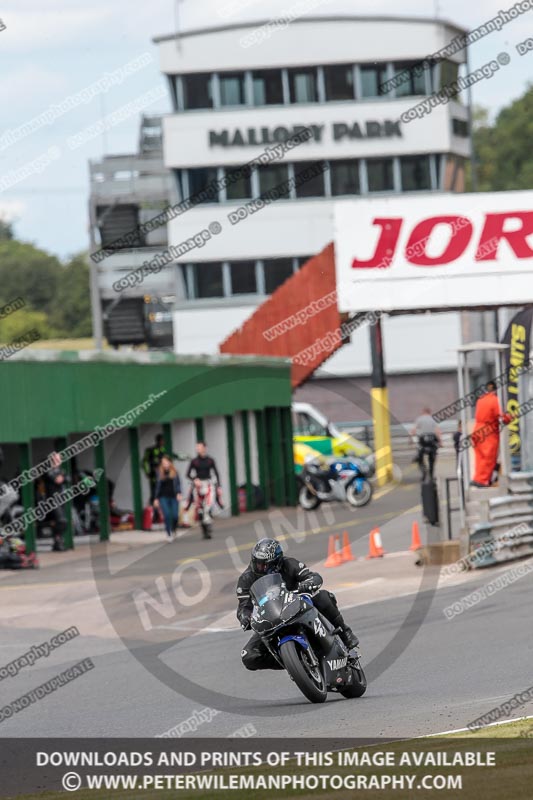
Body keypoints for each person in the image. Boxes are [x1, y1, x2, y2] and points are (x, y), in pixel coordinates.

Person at [237, 538, 359, 671]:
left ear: (277, 562)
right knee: (249, 656)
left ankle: (345, 634)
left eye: (265, 565)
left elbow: (313, 576)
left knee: (324, 597)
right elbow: (244, 606)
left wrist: (307, 584)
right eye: (258, 563)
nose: (261, 568)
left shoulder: (289, 564)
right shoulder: (246, 578)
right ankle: (293, 662)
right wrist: (245, 616)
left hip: (296, 605)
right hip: (270, 618)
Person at [471, 381, 511, 488]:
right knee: (488, 457)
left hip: (477, 430)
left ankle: (477, 478)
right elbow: (501, 416)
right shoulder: (494, 400)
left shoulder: (480, 400)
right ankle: (483, 481)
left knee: (479, 457)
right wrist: (509, 417)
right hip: (488, 432)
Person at [186, 441, 224, 508]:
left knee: (212, 495)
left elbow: (216, 473)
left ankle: (219, 502)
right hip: (198, 482)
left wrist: (219, 486)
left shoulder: (210, 460)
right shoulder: (194, 461)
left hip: (208, 482)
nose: (197, 449)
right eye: (197, 447)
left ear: (204, 448)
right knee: (193, 495)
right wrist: (194, 479)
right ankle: (188, 505)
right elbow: (187, 474)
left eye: (199, 447)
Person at [153, 455, 182, 539]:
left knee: (175, 515)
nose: (165, 464)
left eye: (166, 462)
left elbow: (178, 484)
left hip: (173, 496)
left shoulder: (175, 472)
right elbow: (157, 486)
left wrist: (179, 493)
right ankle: (168, 533)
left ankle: (174, 529)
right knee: (167, 515)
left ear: (170, 462)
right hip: (163, 497)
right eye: (163, 463)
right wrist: (156, 498)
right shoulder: (159, 472)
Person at [44, 452, 68, 552]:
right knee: (62, 521)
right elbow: (58, 480)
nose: (59, 461)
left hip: (61, 499)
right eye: (56, 459)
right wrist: (62, 476)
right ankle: (57, 541)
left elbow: (67, 479)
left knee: (61, 522)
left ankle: (57, 542)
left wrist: (63, 477)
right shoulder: (49, 471)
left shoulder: (60, 470)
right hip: (52, 500)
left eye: (59, 459)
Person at [410, 407, 442, 480]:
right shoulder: (433, 419)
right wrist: (440, 442)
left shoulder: (419, 419)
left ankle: (424, 472)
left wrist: (411, 439)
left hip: (422, 441)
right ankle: (431, 475)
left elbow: (414, 430)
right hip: (432, 440)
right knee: (432, 459)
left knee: (420, 457)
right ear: (429, 412)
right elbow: (438, 431)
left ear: (423, 412)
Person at [142, 434, 167, 505]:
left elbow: (171, 457)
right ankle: (152, 508)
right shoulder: (150, 450)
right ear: (158, 441)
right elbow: (145, 461)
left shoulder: (164, 449)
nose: (163, 442)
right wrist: (147, 472)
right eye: (162, 440)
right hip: (154, 475)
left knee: (164, 492)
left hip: (164, 475)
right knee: (154, 493)